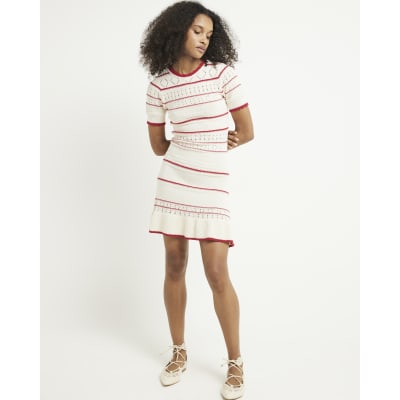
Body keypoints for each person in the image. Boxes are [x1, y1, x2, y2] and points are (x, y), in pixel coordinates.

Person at [140, 1, 254, 399]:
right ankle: (178, 351)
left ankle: (235, 361)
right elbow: (158, 146)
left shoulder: (222, 74)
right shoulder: (158, 86)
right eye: (197, 31)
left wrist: (215, 144)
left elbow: (246, 130)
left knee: (217, 272)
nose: (204, 39)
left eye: (209, 34)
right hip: (174, 179)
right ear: (176, 31)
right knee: (174, 265)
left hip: (211, 183)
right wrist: (188, 145)